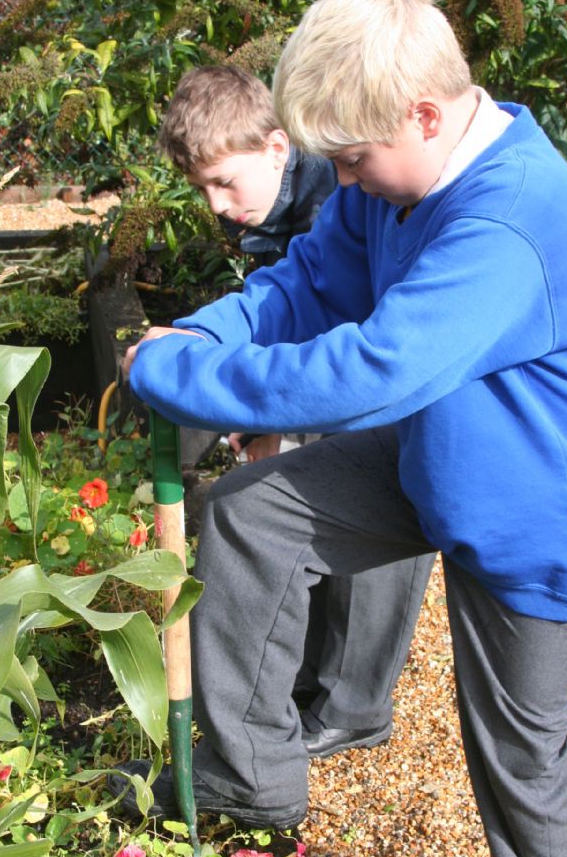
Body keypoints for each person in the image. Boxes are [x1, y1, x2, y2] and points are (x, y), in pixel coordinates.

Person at [117, 0, 567, 857]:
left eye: (353, 160)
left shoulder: (509, 221)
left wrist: (189, 386)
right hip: (439, 457)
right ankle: (253, 781)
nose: (344, 183)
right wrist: (205, 338)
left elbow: (372, 369)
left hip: (544, 515)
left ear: (422, 113)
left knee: (515, 739)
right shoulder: (390, 185)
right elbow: (304, 285)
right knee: (255, 514)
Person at [158, 65, 436, 756]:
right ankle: (315, 678)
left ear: (278, 148)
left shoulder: (341, 191)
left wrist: (266, 420)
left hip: (388, 383)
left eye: (225, 181)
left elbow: (344, 329)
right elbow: (286, 310)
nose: (218, 205)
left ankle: (355, 701)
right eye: (204, 190)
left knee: (371, 529)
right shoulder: (277, 202)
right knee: (298, 511)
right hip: (338, 373)